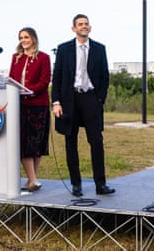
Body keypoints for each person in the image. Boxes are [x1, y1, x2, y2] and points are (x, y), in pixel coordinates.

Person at [51, 14, 115, 197]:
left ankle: (100, 184)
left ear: (90, 27)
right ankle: (76, 183)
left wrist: (99, 99)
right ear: (74, 28)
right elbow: (57, 77)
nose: (84, 26)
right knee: (70, 141)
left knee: (96, 141)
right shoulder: (64, 49)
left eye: (86, 24)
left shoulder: (99, 48)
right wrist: (56, 102)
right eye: (80, 24)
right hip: (69, 99)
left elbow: (105, 76)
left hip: (91, 99)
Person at [9, 27, 51, 192]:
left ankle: (31, 179)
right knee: (24, 143)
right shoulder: (16, 58)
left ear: (33, 38)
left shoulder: (44, 57)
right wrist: (17, 92)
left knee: (37, 144)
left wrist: (28, 91)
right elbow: (12, 79)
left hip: (38, 106)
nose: (23, 40)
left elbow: (45, 81)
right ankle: (33, 180)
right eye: (21, 37)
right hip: (20, 105)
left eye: (26, 37)